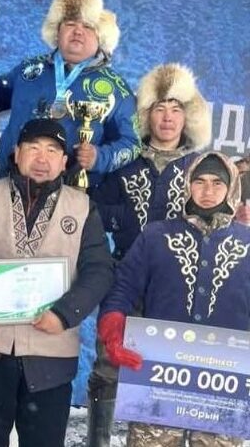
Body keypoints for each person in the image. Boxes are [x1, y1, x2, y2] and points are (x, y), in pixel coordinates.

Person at [0, 118, 114, 447]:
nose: (42, 158)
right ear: (16, 152)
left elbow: (99, 271)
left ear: (64, 161)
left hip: (50, 355)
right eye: (33, 148)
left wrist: (64, 315)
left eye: (52, 150)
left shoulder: (83, 208)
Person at [86, 63, 212, 447]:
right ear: (146, 115)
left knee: (166, 369)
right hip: (124, 276)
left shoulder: (199, 169)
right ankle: (98, 440)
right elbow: (95, 211)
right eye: (160, 108)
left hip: (177, 286)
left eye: (176, 109)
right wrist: (123, 221)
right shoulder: (123, 161)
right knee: (109, 363)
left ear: (188, 118)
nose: (168, 118)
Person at [98, 151, 247, 447]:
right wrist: (113, 325)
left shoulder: (247, 243)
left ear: (231, 187)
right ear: (187, 184)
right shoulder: (156, 236)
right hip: (159, 378)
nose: (207, 191)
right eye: (199, 181)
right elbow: (123, 287)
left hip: (224, 385)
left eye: (217, 183)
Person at [0, 0, 140, 187]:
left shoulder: (116, 87)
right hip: (10, 182)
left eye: (87, 26)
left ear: (100, 37)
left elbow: (133, 143)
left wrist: (98, 157)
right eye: (70, 23)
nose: (78, 31)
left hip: (73, 192)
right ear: (57, 31)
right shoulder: (29, 69)